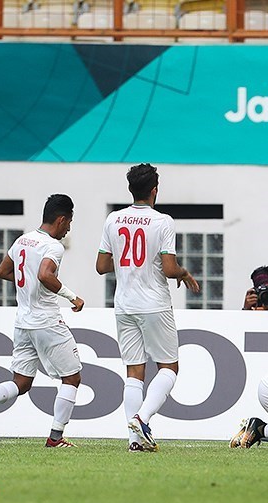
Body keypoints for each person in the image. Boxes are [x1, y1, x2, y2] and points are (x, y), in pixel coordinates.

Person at [0, 194, 85, 448]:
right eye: (69, 222)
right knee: (72, 378)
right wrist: (72, 297)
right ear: (61, 219)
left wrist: (25, 281)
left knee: (22, 382)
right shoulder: (53, 246)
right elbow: (44, 275)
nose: (69, 228)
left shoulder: (22, 241)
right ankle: (56, 438)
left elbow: (2, 271)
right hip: (47, 321)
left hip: (23, 322)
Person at [95, 163, 200, 453]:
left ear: (131, 189)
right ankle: (142, 419)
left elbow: (101, 266)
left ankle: (134, 441)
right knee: (169, 367)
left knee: (134, 373)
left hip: (124, 304)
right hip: (153, 303)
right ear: (155, 190)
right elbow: (168, 268)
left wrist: (126, 261)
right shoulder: (163, 221)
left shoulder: (113, 219)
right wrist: (183, 273)